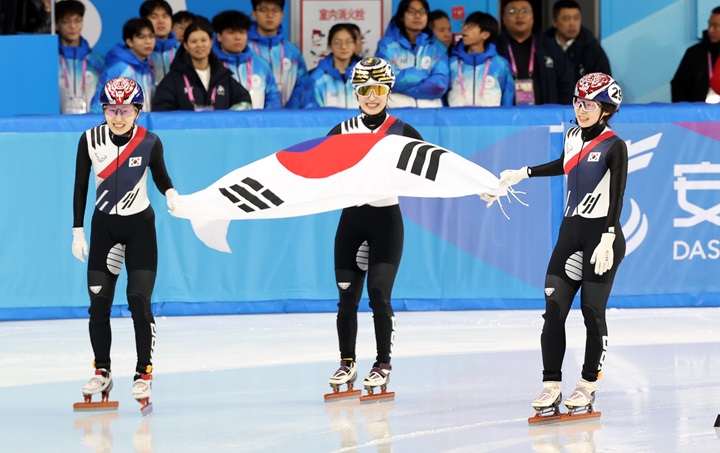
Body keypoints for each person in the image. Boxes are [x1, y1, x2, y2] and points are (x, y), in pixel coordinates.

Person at [497, 73, 627, 417]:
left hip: (602, 238)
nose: (581, 110)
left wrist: (610, 236)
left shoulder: (615, 145)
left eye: (590, 105)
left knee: (591, 312)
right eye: (577, 102)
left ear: (607, 110)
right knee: (553, 312)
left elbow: (617, 196)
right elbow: (565, 165)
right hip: (569, 238)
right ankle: (551, 384)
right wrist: (522, 172)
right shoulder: (571, 136)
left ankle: (587, 384)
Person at [72, 77, 180, 410]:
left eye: (125, 110)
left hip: (139, 230)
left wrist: (172, 194)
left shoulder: (150, 141)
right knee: (99, 304)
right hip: (104, 228)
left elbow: (162, 178)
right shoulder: (89, 139)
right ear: (103, 109)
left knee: (138, 301)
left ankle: (143, 372)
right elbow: (80, 186)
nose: (118, 117)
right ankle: (101, 370)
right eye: (112, 109)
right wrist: (77, 230)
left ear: (137, 110)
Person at [325, 57, 424, 399]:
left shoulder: (403, 131)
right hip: (351, 221)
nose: (372, 97)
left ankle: (382, 364)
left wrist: (474, 183)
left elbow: (434, 169)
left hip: (385, 221)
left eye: (378, 90)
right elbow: (315, 171)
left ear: (388, 91)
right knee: (346, 298)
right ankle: (347, 361)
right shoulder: (340, 131)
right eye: (365, 90)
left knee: (379, 295)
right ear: (355, 93)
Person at [152, 20, 252, 111]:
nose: (199, 45)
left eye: (204, 40)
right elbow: (161, 110)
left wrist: (227, 119)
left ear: (211, 43)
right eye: (194, 41)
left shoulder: (223, 76)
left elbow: (244, 101)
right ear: (186, 45)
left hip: (219, 131)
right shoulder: (174, 79)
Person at [496, 0, 574, 105]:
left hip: (546, 117)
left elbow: (567, 83)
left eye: (525, 11)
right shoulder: (495, 48)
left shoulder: (550, 46)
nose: (519, 16)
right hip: (504, 116)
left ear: (533, 17)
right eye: (512, 11)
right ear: (503, 19)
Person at [376, 0, 449, 108]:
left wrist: (402, 77)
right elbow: (386, 79)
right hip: (396, 112)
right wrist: (423, 75)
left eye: (422, 12)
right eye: (411, 11)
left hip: (430, 114)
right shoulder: (387, 45)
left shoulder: (436, 47)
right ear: (401, 16)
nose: (418, 16)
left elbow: (439, 86)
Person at [211, 10, 281, 109]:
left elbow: (272, 98)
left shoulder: (261, 65)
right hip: (222, 123)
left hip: (258, 124)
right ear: (219, 36)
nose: (238, 37)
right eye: (231, 32)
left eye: (242, 32)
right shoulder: (211, 65)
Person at [248, 0, 308, 108]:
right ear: (254, 14)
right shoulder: (245, 50)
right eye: (263, 10)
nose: (270, 15)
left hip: (288, 119)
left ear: (282, 15)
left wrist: (288, 115)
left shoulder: (292, 52)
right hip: (252, 119)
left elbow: (302, 87)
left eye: (275, 10)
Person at [447, 11, 514, 106]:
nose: (464, 28)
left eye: (471, 25)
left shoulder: (500, 64)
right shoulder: (452, 63)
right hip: (456, 120)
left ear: (485, 35)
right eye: (464, 24)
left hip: (491, 120)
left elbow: (507, 99)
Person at [91, 18, 156, 112]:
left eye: (151, 36)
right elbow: (99, 105)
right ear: (129, 42)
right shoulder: (119, 69)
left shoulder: (148, 71)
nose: (148, 41)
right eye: (142, 37)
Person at [55, 0, 105, 114]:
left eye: (77, 21)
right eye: (66, 22)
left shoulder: (97, 61)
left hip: (91, 124)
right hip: (57, 126)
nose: (73, 26)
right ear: (57, 25)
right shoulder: (50, 59)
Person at [544, 0, 611, 81]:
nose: (572, 23)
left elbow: (604, 84)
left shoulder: (592, 50)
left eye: (576, 18)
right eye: (566, 19)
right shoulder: (542, 47)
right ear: (555, 22)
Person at [306, 23, 363, 108]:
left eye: (348, 42)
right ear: (329, 46)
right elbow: (312, 114)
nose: (343, 46)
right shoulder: (317, 78)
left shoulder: (367, 77)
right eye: (337, 42)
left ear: (355, 45)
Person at [671, 6, 720, 103]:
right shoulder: (694, 53)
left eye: (715, 26)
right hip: (698, 116)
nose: (710, 30)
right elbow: (679, 87)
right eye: (709, 25)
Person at [140, 0, 179, 85]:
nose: (161, 21)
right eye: (154, 17)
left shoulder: (184, 51)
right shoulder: (137, 54)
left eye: (165, 16)